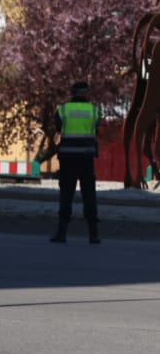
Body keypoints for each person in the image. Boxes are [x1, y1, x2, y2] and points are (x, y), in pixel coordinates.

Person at [50, 81, 100, 244]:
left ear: (72, 93)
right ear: (87, 93)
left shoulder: (63, 110)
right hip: (86, 159)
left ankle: (62, 233)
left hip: (68, 159)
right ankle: (93, 234)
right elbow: (96, 127)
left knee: (66, 195)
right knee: (89, 195)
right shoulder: (94, 110)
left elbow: (58, 127)